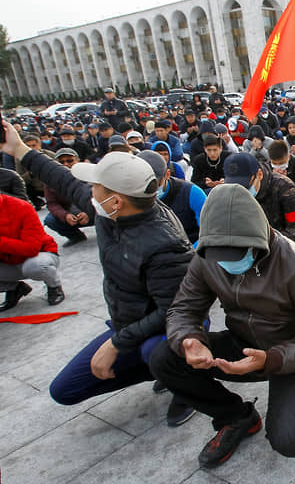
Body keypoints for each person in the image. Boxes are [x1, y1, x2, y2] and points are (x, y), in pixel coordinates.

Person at [1, 121, 196, 424]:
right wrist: (19, 149)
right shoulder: (112, 209)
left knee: (155, 351)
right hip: (128, 321)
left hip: (171, 323)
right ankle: (160, 368)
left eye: (95, 187)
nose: (88, 192)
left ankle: (186, 382)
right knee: (65, 390)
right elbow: (63, 180)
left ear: (116, 200)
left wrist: (116, 344)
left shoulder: (165, 246)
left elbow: (170, 311)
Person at [149, 183, 295, 467]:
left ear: (258, 238)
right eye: (219, 255)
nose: (226, 262)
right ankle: (235, 417)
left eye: (236, 254)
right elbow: (183, 308)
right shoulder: (206, 257)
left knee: (291, 441)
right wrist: (189, 338)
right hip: (243, 343)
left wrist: (270, 359)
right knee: (165, 358)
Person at [223, 153, 295, 258]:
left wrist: (267, 243)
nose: (241, 191)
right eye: (236, 186)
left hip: (287, 240)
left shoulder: (284, 187)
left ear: (259, 174)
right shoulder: (231, 193)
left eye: (246, 186)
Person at [0, 190, 64, 311]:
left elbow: (31, 248)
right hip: (8, 261)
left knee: (36, 267)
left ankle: (54, 286)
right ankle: (14, 288)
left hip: (39, 255)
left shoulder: (21, 207)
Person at [139, 150, 206, 245]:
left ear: (167, 174)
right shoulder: (129, 197)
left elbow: (208, 231)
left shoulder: (191, 193)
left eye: (155, 184)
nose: (150, 190)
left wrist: (191, 253)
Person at [43, 148, 93, 247]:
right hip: (72, 215)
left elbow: (100, 196)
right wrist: (65, 215)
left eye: (70, 161)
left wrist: (89, 211)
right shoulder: (50, 181)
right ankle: (76, 236)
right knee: (50, 220)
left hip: (93, 211)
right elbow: (52, 203)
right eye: (61, 162)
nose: (66, 164)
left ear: (78, 161)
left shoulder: (89, 173)